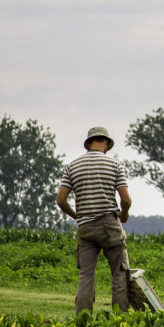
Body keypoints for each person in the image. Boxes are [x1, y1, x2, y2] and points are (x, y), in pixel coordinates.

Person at [56, 126, 131, 314]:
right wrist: (125, 214)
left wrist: (76, 215)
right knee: (120, 274)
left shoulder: (72, 166)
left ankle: (83, 322)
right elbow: (126, 199)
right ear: (105, 142)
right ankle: (121, 322)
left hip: (85, 228)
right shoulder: (114, 165)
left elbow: (61, 200)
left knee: (86, 275)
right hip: (109, 225)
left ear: (89, 143)